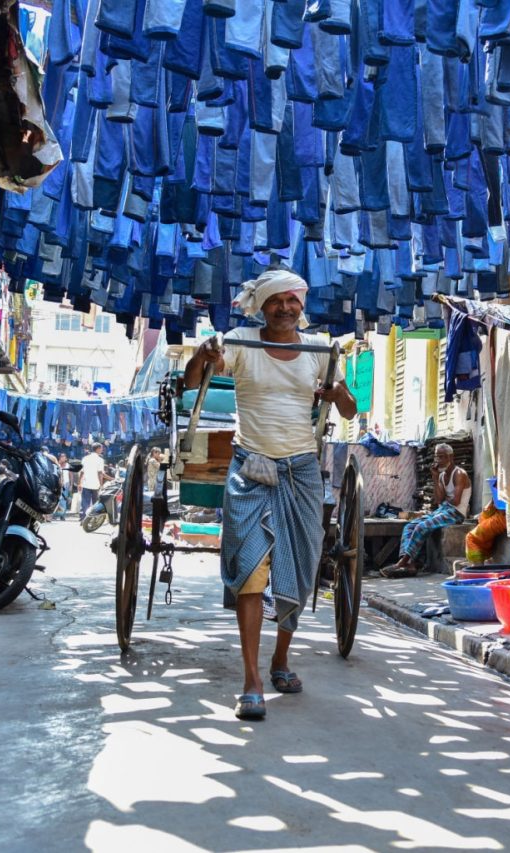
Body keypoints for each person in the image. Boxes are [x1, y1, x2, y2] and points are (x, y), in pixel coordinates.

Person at [184, 267, 356, 721]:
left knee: (297, 571)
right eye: (275, 301)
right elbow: (193, 380)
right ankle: (251, 681)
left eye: (291, 300)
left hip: (301, 469)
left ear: (302, 305)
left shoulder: (320, 350)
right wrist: (203, 355)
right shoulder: (240, 340)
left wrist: (336, 390)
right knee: (250, 572)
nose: (284, 308)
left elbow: (350, 408)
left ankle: (280, 659)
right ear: (261, 306)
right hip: (252, 465)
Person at [380, 443, 471, 578]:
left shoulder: (459, 473)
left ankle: (402, 563)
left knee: (423, 527)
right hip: (444, 509)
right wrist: (435, 477)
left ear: (450, 457)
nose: (438, 461)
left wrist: (444, 502)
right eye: (437, 457)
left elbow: (456, 501)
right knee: (410, 526)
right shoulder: (441, 476)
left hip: (456, 513)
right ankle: (410, 563)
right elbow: (439, 500)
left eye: (442, 457)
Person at [78, 443, 110, 522]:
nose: (102, 450)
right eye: (101, 448)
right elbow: (100, 473)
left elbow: (82, 472)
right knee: (95, 504)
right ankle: (94, 519)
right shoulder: (100, 460)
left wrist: (79, 483)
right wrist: (101, 485)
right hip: (96, 485)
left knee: (85, 503)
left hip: (86, 484)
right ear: (98, 449)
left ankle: (83, 518)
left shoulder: (85, 458)